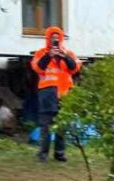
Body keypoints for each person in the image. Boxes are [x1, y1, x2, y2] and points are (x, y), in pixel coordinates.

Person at [30, 25, 81, 162]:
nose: (55, 40)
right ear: (48, 39)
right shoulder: (41, 53)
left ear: (61, 39)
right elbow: (38, 68)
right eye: (52, 38)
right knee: (45, 126)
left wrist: (63, 57)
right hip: (47, 94)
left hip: (64, 94)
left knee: (62, 125)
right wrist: (49, 56)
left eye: (57, 38)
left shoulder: (68, 53)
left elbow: (75, 68)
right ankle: (43, 155)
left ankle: (59, 153)